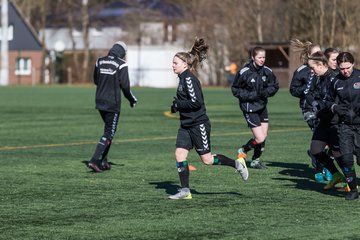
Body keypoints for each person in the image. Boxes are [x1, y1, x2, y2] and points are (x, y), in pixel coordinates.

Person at [168, 37, 249, 200]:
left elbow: (196, 102)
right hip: (186, 125)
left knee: (207, 160)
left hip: (198, 125)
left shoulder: (189, 79)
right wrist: (177, 105)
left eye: (175, 63)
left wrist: (179, 105)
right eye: (173, 62)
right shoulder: (182, 79)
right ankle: (185, 191)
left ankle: (237, 164)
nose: (173, 65)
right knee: (179, 154)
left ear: (185, 65)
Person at [87, 41, 137, 173]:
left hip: (99, 101)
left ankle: (103, 161)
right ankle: (94, 161)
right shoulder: (121, 64)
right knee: (110, 132)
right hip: (112, 103)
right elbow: (125, 86)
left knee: (108, 130)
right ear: (122, 52)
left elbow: (96, 80)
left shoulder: (100, 61)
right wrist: (132, 99)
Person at [288, 39, 331, 182]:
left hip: (323, 107)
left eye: (320, 53)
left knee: (329, 140)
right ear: (308, 55)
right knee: (321, 137)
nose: (319, 55)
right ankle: (319, 170)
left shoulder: (326, 68)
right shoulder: (301, 71)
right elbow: (293, 90)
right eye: (316, 53)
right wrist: (306, 91)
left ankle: (320, 160)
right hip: (309, 109)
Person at [306, 51, 348, 192]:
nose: (311, 71)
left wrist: (322, 104)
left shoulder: (334, 78)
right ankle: (336, 175)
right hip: (323, 121)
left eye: (313, 68)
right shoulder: (320, 78)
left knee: (338, 154)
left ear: (320, 64)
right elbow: (313, 95)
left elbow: (336, 101)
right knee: (315, 149)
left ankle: (350, 182)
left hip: (335, 122)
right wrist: (315, 103)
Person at [231, 46, 279, 169]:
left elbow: (275, 86)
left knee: (263, 136)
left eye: (264, 57)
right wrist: (251, 95)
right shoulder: (244, 72)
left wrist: (266, 92)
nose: (262, 60)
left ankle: (255, 160)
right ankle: (243, 149)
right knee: (260, 137)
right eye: (259, 57)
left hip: (262, 106)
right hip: (249, 107)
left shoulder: (267, 71)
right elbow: (235, 89)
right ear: (253, 57)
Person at [327, 52, 360, 200]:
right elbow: (326, 101)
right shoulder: (334, 81)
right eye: (342, 68)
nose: (345, 71)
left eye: (347, 67)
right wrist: (335, 108)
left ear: (353, 64)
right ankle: (352, 190)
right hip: (344, 126)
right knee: (346, 159)